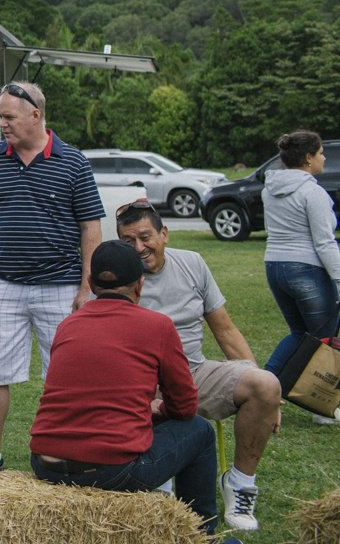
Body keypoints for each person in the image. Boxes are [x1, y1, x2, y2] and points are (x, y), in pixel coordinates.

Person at [29, 241, 219, 538]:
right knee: (201, 431)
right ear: (140, 286)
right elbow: (185, 406)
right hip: (112, 469)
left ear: (90, 284)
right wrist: (157, 411)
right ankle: (202, 534)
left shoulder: (68, 325)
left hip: (45, 463)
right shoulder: (158, 326)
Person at [118, 199, 281, 531]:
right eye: (128, 241)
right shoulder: (118, 272)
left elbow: (225, 328)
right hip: (139, 383)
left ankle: (240, 484)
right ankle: (157, 483)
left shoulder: (192, 263)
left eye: (146, 237)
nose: (139, 248)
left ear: (164, 234)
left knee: (265, 385)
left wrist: (269, 398)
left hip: (194, 372)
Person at [0, 80, 103, 472]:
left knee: (65, 375)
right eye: (0, 117)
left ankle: (66, 451)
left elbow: (90, 226)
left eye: (9, 117)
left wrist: (86, 287)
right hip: (4, 286)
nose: (3, 125)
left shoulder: (73, 160)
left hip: (61, 286)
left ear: (35, 115)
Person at [260, 130, 340, 393]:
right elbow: (324, 242)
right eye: (320, 153)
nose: (324, 158)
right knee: (323, 339)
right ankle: (321, 407)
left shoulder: (269, 189)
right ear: (308, 158)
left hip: (275, 266)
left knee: (299, 333)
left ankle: (263, 388)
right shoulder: (312, 193)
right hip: (307, 270)